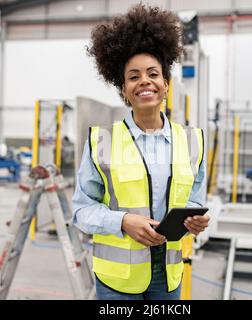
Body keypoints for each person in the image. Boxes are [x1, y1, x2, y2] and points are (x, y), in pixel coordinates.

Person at [72, 3, 209, 300]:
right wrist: (122, 222)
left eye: (153, 74)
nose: (144, 81)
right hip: (117, 282)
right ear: (123, 89)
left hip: (169, 275)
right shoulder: (101, 141)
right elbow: (81, 211)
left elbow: (195, 201)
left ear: (165, 85)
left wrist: (194, 223)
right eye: (133, 76)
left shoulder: (194, 141)